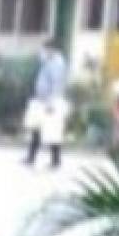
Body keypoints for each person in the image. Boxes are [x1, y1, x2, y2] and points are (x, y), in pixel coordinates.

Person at [24, 41, 68, 169]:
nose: (43, 53)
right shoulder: (48, 62)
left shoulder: (57, 64)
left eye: (45, 50)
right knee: (36, 128)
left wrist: (51, 103)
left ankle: (56, 160)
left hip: (51, 101)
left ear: (52, 50)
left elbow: (57, 84)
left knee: (52, 131)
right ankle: (31, 157)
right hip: (41, 100)